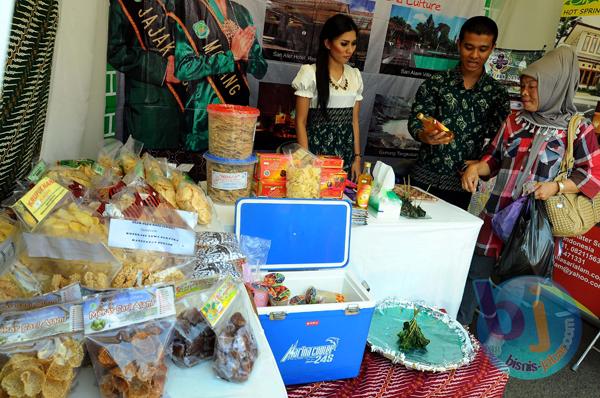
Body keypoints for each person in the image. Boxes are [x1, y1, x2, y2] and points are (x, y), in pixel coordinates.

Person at [457, 45, 600, 326]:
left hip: (535, 225)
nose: (524, 93)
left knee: (517, 288)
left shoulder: (577, 129)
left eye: (532, 87)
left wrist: (555, 188)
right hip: (498, 214)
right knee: (477, 275)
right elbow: (493, 160)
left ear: (554, 87)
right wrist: (476, 168)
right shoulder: (514, 121)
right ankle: (462, 328)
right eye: (523, 86)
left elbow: (593, 176)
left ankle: (496, 340)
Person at [408, 16, 510, 209]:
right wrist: (425, 135)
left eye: (483, 49)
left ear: (492, 48)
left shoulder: (496, 94)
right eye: (469, 47)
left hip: (461, 184)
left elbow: (501, 141)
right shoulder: (436, 83)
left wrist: (482, 163)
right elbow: (416, 119)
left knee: (449, 237)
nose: (474, 55)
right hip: (423, 177)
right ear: (458, 44)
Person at [174, 0, 268, 152]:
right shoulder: (191, 8)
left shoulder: (242, 13)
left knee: (233, 171)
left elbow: (261, 69)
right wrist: (231, 57)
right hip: (202, 120)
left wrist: (247, 56)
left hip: (236, 118)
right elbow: (183, 68)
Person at [292, 14, 363, 180]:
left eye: (353, 44)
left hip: (345, 155)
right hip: (316, 152)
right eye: (344, 44)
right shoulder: (310, 74)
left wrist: (357, 158)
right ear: (327, 43)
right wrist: (306, 161)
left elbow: (354, 122)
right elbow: (300, 122)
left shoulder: (355, 76)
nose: (350, 50)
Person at [108, 0, 187, 150]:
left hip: (191, 109)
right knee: (147, 169)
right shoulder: (124, 4)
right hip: (149, 110)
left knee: (187, 170)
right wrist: (162, 70)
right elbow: (115, 51)